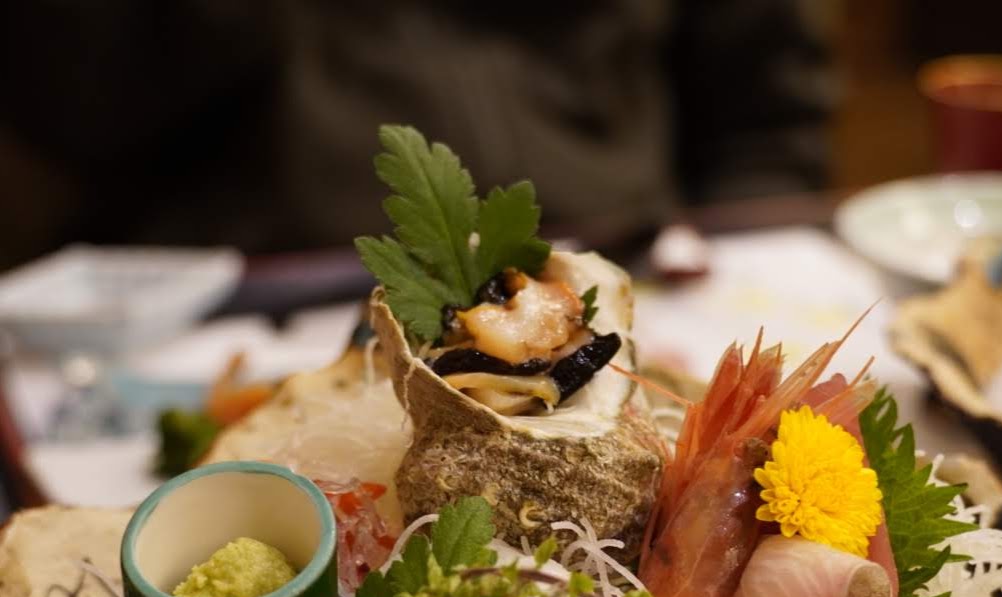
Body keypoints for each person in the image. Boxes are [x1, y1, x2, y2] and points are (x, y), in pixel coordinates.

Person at [0, 1, 835, 268]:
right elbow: (72, 110)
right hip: (250, 289)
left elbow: (767, 111)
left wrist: (730, 271)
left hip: (625, 266)